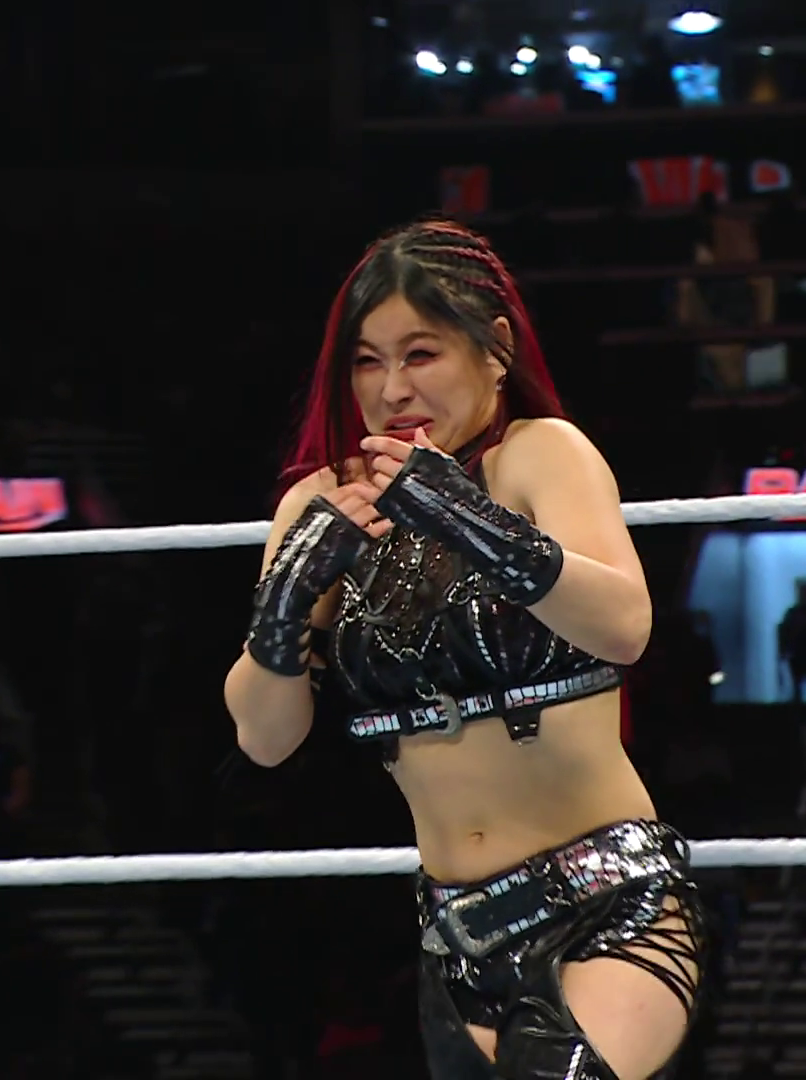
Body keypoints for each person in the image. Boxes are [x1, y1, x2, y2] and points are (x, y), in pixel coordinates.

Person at [223, 218, 709, 1080]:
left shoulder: (539, 454)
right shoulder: (324, 505)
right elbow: (264, 738)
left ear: (495, 351)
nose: (392, 388)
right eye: (367, 362)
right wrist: (286, 601)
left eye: (421, 354)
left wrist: (474, 522)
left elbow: (625, 625)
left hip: (607, 907)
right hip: (457, 937)